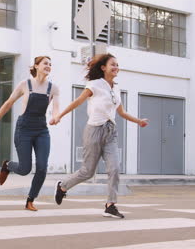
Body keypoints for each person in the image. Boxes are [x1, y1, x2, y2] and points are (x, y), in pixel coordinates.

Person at [50, 53, 148, 218]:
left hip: (111, 132)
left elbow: (121, 112)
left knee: (115, 169)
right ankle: (62, 186)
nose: (116, 67)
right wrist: (59, 115)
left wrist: (138, 121)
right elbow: (78, 102)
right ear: (103, 67)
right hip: (94, 130)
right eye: (113, 65)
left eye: (117, 65)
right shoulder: (94, 85)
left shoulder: (115, 88)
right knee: (88, 171)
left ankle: (110, 205)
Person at [0, 56, 60, 211]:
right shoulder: (25, 85)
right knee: (24, 169)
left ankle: (30, 200)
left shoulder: (53, 88)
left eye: (50, 64)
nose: (49, 66)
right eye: (45, 63)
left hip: (42, 130)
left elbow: (56, 109)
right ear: (36, 66)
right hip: (24, 129)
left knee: (42, 167)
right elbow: (8, 103)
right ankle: (7, 165)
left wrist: (55, 117)